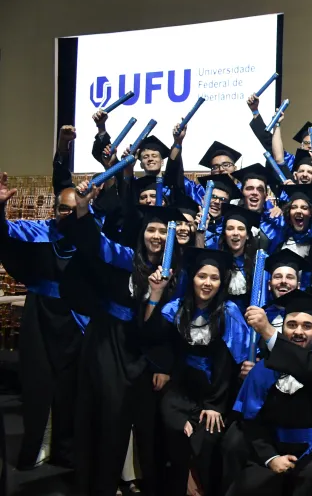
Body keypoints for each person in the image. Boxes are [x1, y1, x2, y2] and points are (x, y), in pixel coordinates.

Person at [60, 192, 184, 496]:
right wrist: (83, 209)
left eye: (163, 231)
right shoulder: (125, 257)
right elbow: (93, 243)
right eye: (151, 229)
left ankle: (141, 481)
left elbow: (171, 329)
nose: (156, 236)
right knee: (107, 415)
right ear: (142, 233)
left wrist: (164, 365)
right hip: (109, 343)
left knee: (145, 422)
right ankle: (100, 484)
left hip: (147, 352)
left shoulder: (176, 275)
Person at [147, 247, 251, 496]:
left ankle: (198, 487)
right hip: (180, 390)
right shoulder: (177, 309)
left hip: (214, 392)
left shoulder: (229, 313)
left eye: (214, 278)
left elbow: (229, 365)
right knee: (173, 432)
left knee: (207, 440)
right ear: (192, 278)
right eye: (201, 276)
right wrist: (155, 294)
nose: (207, 283)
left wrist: (214, 405)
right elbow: (154, 337)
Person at [0, 170, 84, 471]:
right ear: (54, 209)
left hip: (77, 320)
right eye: (63, 208)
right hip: (40, 317)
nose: (68, 214)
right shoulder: (38, 232)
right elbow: (5, 235)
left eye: (74, 209)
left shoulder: (92, 239)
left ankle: (65, 449)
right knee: (37, 383)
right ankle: (38, 444)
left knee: (71, 388)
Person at [229, 290, 312, 495]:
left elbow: (308, 368)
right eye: (291, 325)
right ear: (283, 328)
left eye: (307, 326)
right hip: (275, 449)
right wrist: (271, 458)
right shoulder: (264, 368)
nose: (298, 331)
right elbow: (251, 421)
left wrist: (267, 331)